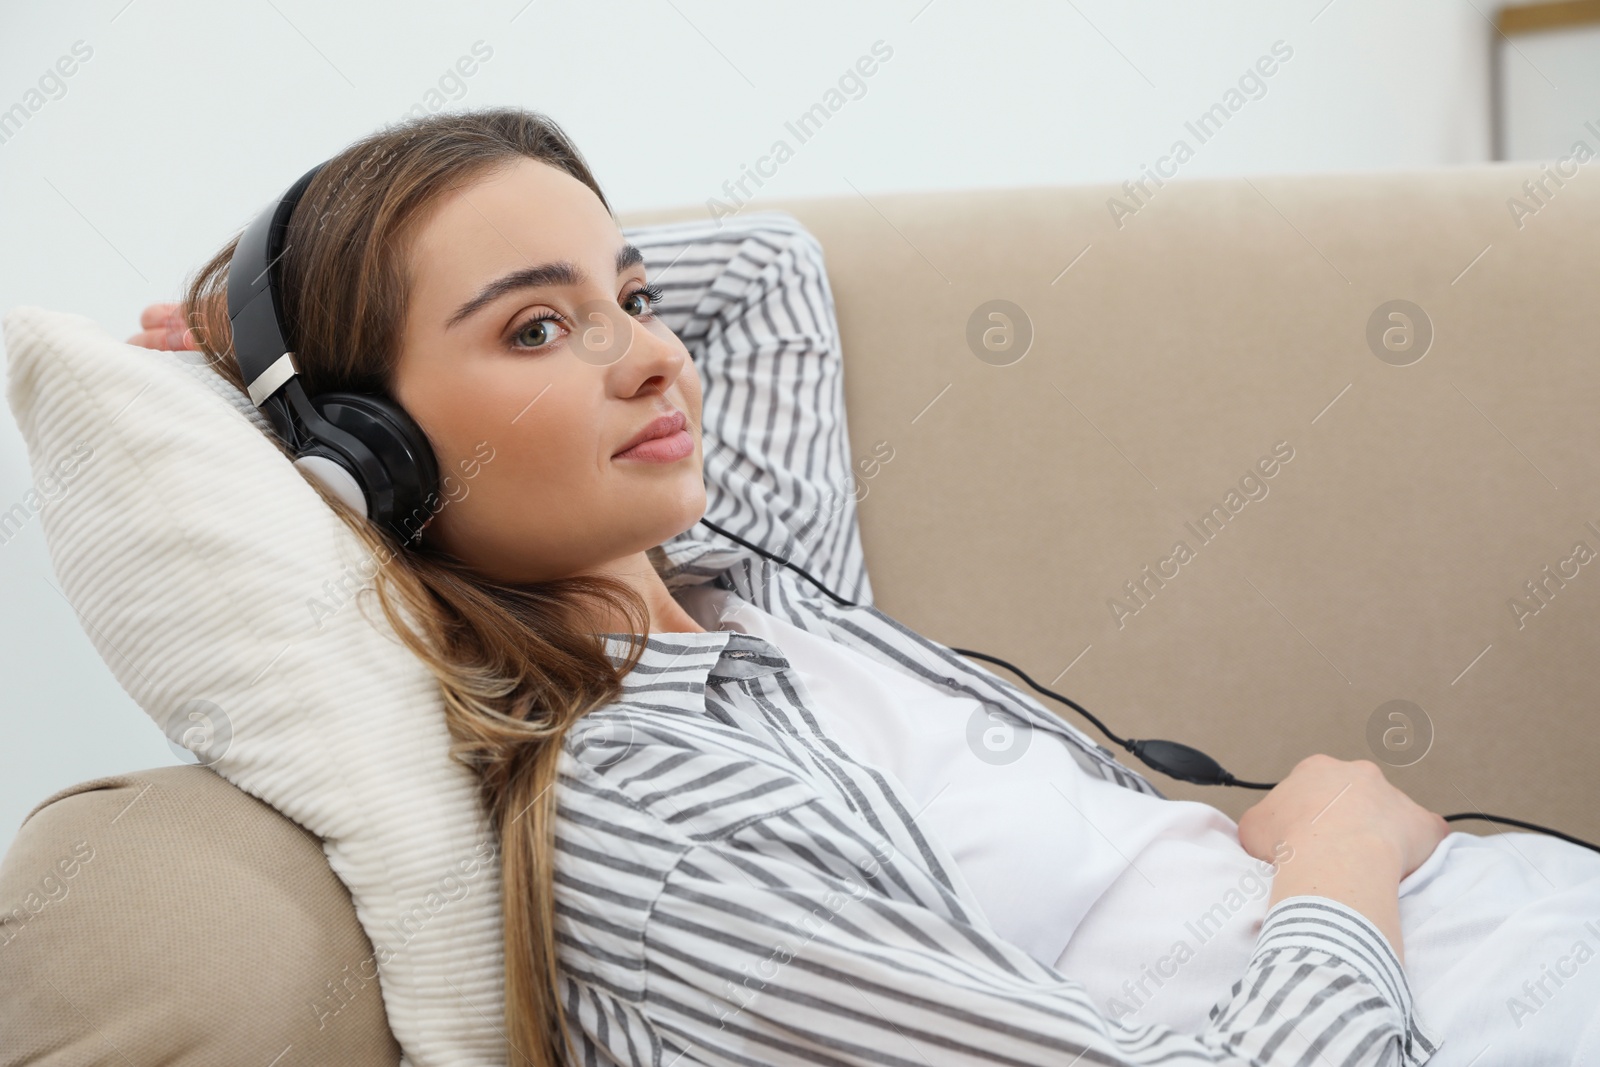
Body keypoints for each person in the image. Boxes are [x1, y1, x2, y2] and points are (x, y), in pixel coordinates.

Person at [130, 107, 1600, 1067]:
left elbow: (763, 276)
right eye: (532, 331)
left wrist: (260, 335)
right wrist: (1339, 852)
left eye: (629, 298)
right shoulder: (659, 829)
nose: (653, 355)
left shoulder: (748, 580)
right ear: (379, 457)